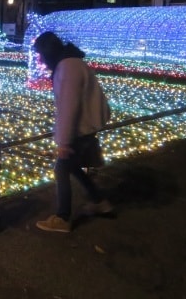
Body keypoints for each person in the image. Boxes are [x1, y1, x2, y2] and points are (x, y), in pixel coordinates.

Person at [32, 31, 113, 233]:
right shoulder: (71, 63)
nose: (39, 60)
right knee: (73, 167)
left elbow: (69, 106)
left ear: (48, 52)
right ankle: (100, 201)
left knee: (61, 168)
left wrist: (64, 142)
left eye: (40, 55)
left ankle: (62, 217)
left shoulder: (67, 68)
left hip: (80, 128)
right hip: (85, 126)